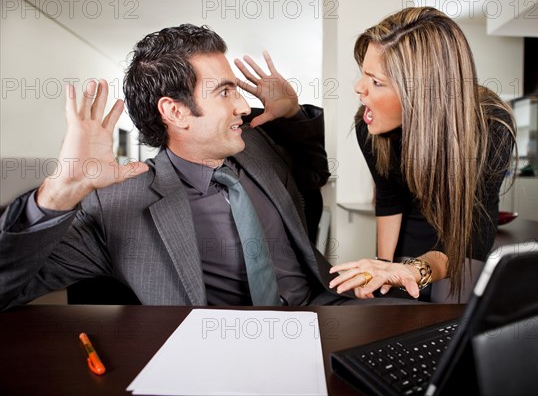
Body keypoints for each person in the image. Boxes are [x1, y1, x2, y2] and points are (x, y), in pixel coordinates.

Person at [0, 24, 421, 310]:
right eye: (225, 92)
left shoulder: (254, 144)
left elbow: (315, 172)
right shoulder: (114, 207)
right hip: (218, 349)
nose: (242, 104)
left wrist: (292, 113)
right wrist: (58, 192)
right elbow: (8, 287)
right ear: (176, 112)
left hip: (324, 310)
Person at [328, 7, 516, 302]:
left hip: (464, 231)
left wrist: (418, 270)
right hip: (413, 224)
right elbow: (390, 198)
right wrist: (384, 272)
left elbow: (473, 238)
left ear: (423, 97)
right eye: (363, 75)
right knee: (395, 305)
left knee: (449, 308)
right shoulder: (369, 124)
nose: (359, 89)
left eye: (377, 82)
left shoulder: (491, 128)